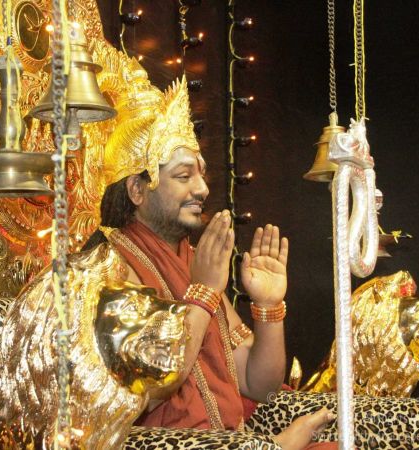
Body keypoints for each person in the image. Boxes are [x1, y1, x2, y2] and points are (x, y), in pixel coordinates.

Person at [83, 75, 336, 450]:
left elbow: (260, 385)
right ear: (137, 189)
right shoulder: (110, 267)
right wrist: (202, 293)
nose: (202, 189)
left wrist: (269, 306)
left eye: (201, 174)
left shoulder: (192, 260)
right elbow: (153, 386)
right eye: (184, 176)